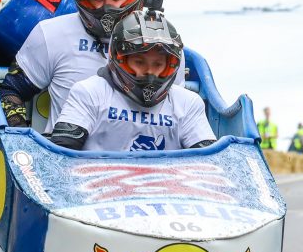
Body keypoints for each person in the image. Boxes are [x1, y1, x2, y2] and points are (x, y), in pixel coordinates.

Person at [0, 0, 184, 131]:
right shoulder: (52, 33)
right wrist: (23, 140)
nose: (108, 6)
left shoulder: (165, 44)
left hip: (141, 156)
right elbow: (11, 90)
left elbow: (177, 110)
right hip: (65, 152)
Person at [49, 9, 215, 152]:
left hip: (163, 188)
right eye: (139, 62)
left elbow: (210, 165)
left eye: (158, 64)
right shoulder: (88, 92)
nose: (150, 72)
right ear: (118, 58)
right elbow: (60, 154)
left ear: (172, 65)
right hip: (95, 186)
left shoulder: (189, 104)